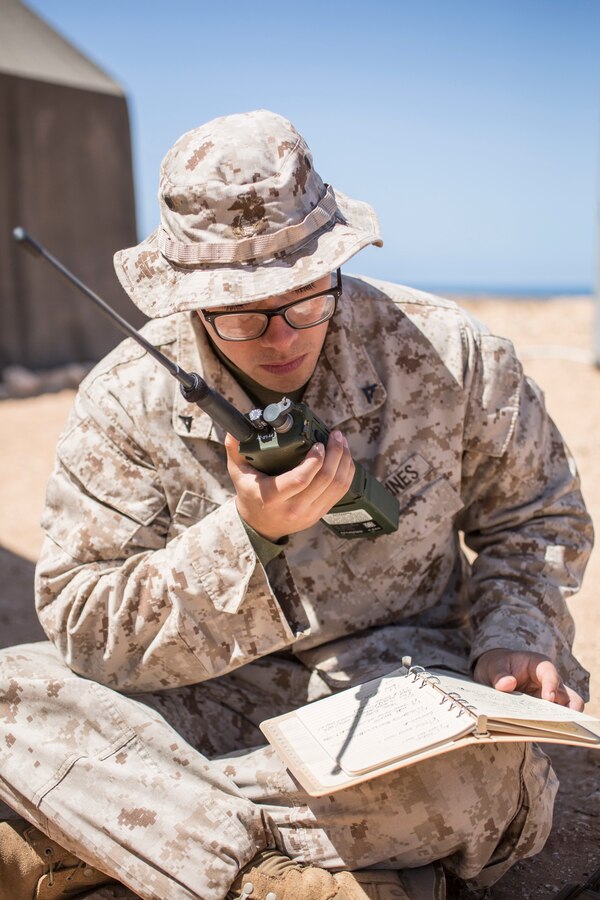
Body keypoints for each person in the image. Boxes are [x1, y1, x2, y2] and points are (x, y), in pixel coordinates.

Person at [0, 109, 593, 900]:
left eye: (306, 298)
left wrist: (516, 635)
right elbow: (83, 621)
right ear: (190, 299)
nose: (281, 338)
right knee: (11, 701)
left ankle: (100, 844)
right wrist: (247, 538)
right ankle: (279, 881)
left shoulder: (452, 355)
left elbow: (537, 518)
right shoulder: (121, 400)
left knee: (487, 783)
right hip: (200, 696)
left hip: (401, 689)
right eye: (243, 313)